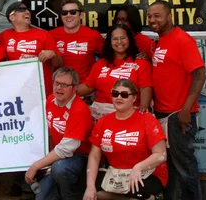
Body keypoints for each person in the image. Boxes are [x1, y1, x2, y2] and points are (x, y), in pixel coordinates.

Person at [147, 0, 205, 200]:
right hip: (162, 114)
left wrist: (186, 110)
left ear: (169, 16)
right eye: (149, 16)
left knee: (185, 167)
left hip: (178, 116)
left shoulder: (182, 39)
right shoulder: (159, 42)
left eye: (157, 15)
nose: (152, 20)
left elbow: (199, 74)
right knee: (170, 166)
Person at [83, 79, 168, 200]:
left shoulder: (147, 119)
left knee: (137, 189)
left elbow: (161, 154)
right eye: (115, 93)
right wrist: (90, 186)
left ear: (134, 98)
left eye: (124, 94)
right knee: (85, 183)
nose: (119, 97)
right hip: (117, 174)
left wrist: (138, 168)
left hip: (146, 173)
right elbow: (94, 156)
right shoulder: (103, 122)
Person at [25, 68, 94, 200]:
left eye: (64, 85)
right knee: (41, 196)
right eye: (56, 83)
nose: (59, 88)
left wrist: (36, 166)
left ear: (75, 89)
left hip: (81, 156)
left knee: (60, 169)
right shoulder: (50, 100)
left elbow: (66, 148)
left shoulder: (79, 110)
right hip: (60, 155)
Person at [78, 24, 153, 121]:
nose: (119, 42)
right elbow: (88, 86)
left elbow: (145, 88)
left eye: (123, 38)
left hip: (129, 114)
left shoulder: (142, 63)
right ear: (109, 42)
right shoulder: (100, 64)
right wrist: (66, 90)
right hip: (100, 114)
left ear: (129, 40)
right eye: (115, 39)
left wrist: (144, 109)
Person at [0, 0, 62, 96]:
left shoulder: (44, 34)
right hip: (18, 91)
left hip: (42, 92)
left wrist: (53, 54)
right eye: (22, 9)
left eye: (28, 9)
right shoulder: (4, 35)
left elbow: (59, 64)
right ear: (12, 17)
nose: (27, 11)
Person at [49, 0, 104, 83]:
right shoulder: (51, 35)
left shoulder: (93, 35)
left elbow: (109, 58)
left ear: (81, 15)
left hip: (85, 91)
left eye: (73, 12)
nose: (68, 15)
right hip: (59, 89)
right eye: (64, 13)